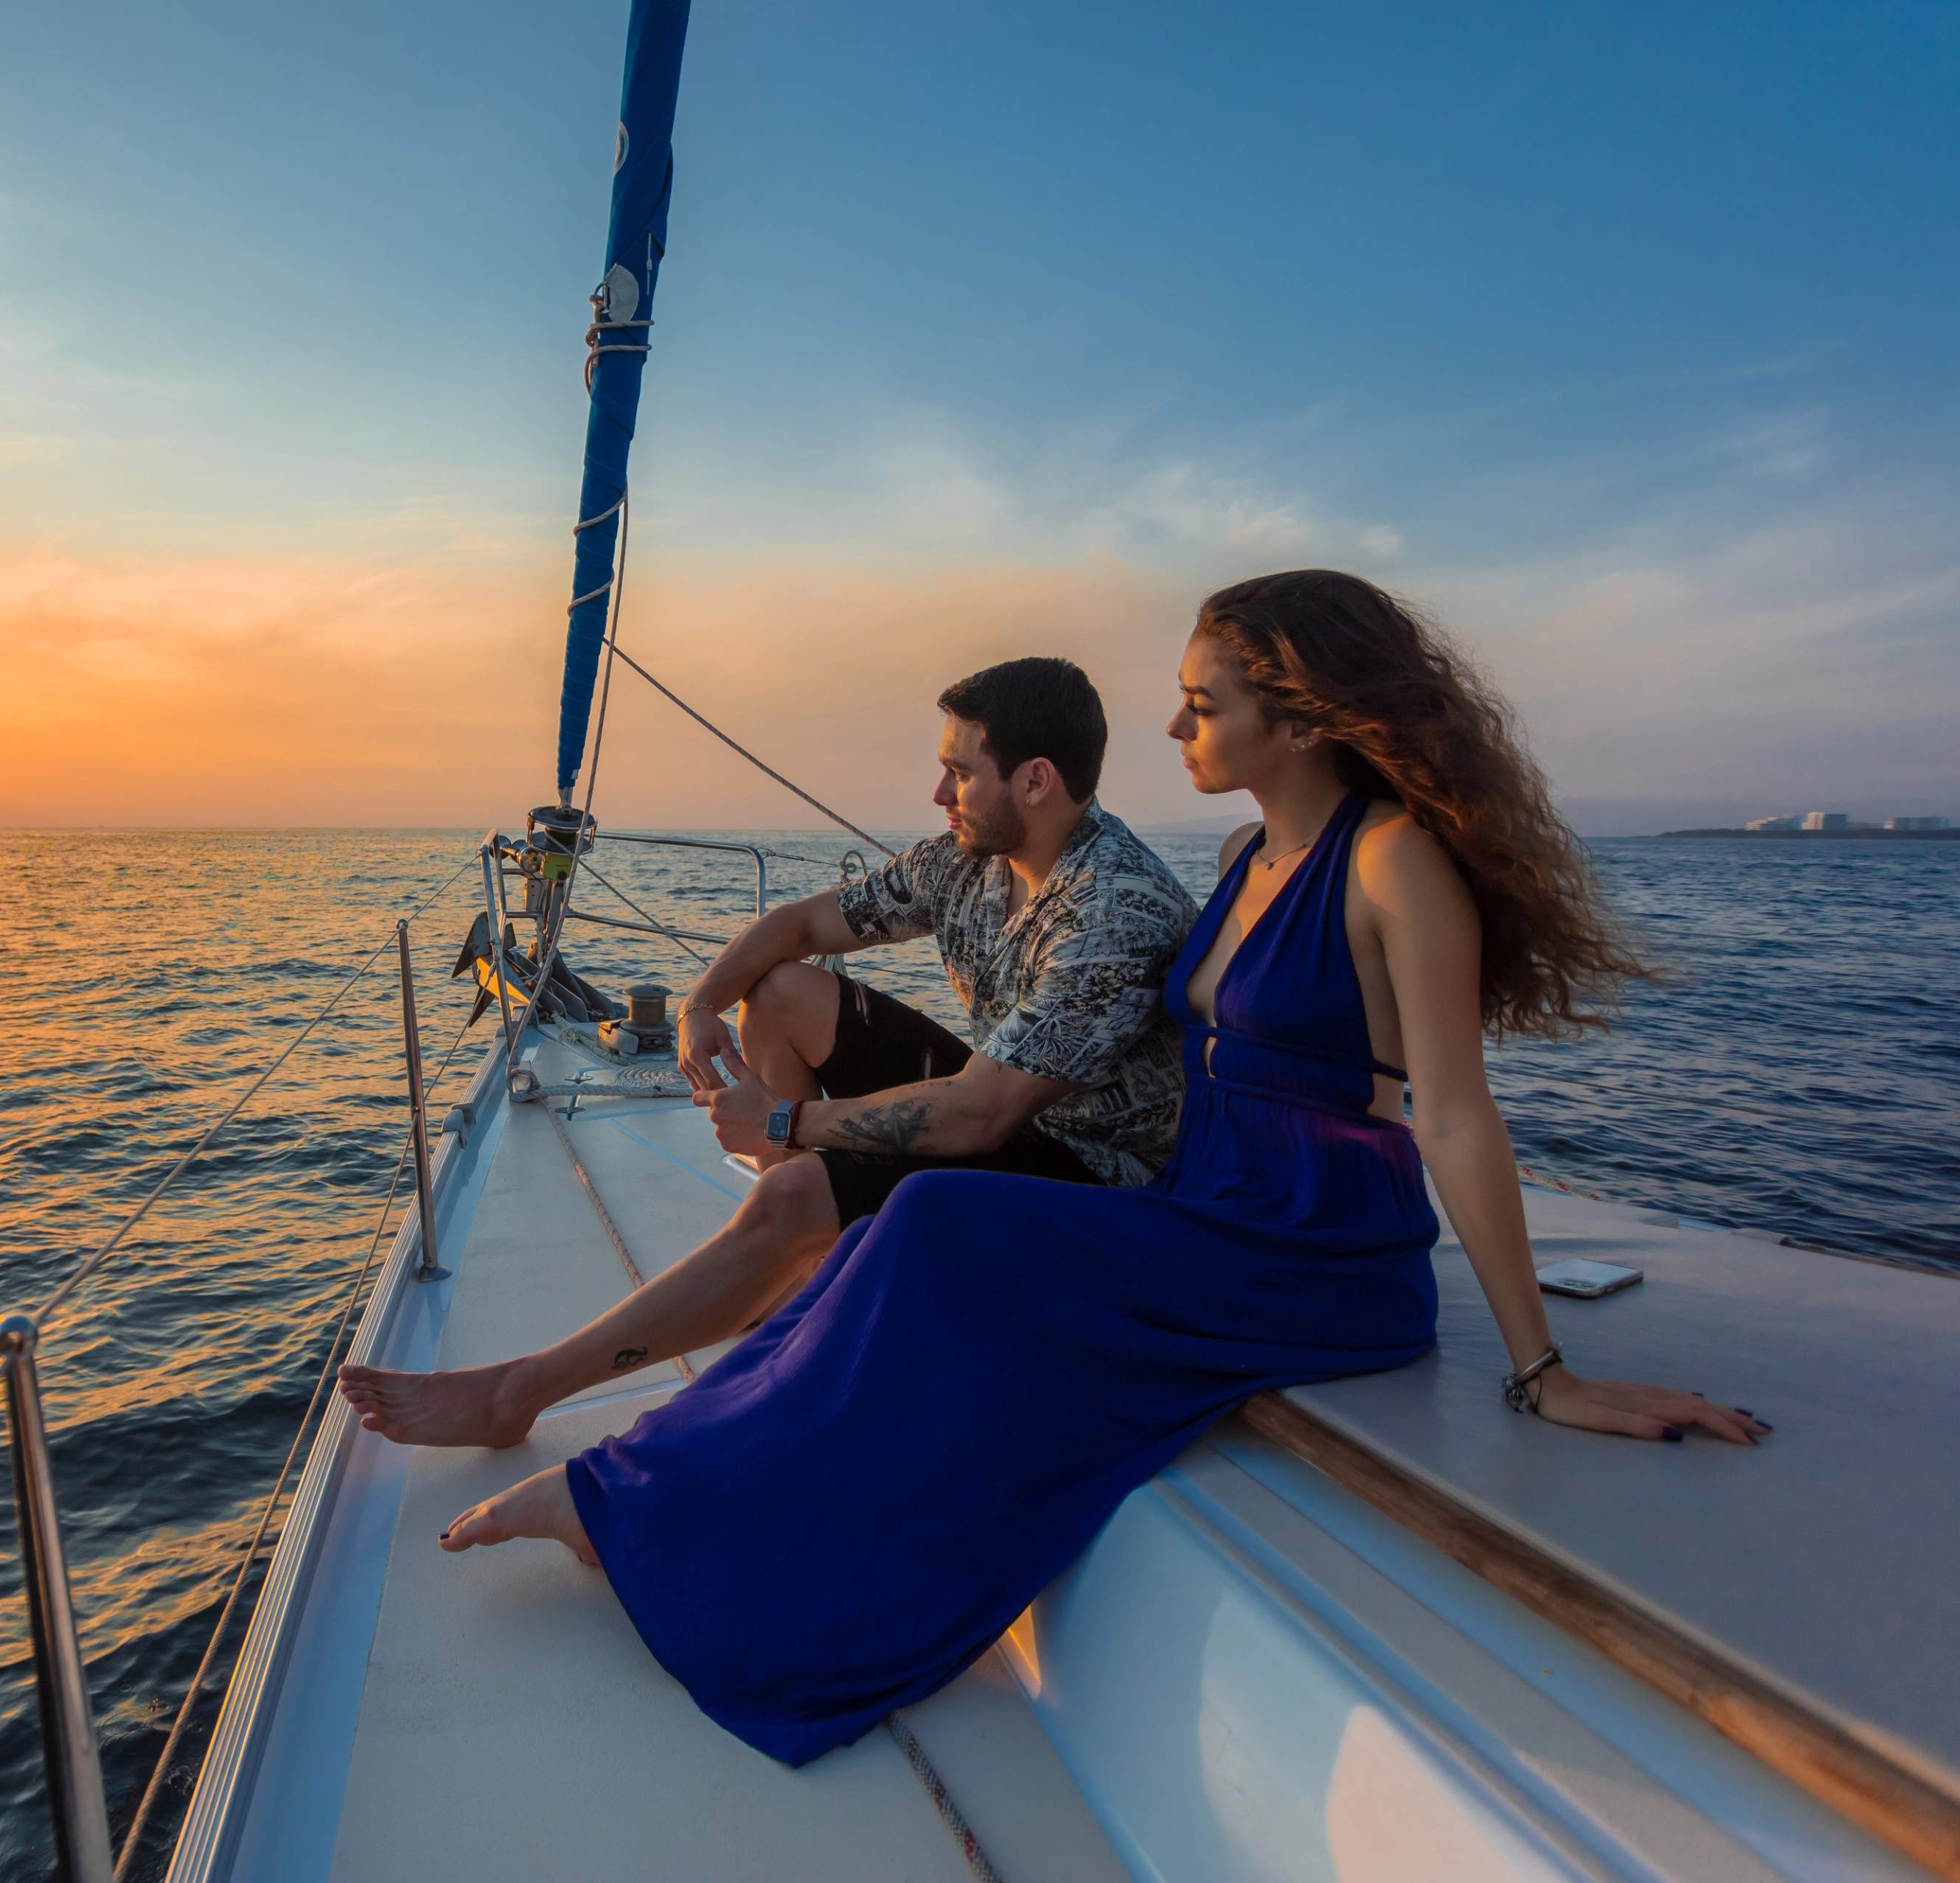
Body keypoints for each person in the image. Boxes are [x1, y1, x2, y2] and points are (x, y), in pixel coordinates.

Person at [422, 569, 1769, 1768]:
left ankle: (634, 1500)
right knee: (917, 1238)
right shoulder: (1250, 858)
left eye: (1203, 703)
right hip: (1211, 1205)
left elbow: (1459, 1117)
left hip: (1314, 1246)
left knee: (938, 1221)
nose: (1176, 727)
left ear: (1298, 717)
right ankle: (649, 1483)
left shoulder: (1391, 860)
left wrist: (1542, 1371)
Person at [340, 655, 1197, 1448]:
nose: (940, 790)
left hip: (1098, 1183)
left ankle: (517, 1393)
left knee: (796, 1185)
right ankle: (797, 1255)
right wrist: (701, 1004)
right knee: (782, 990)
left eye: (962, 771)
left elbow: (979, 1116)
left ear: (1037, 781)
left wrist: (789, 1121)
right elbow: (799, 926)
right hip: (1011, 1112)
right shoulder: (970, 861)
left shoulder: (1110, 909)